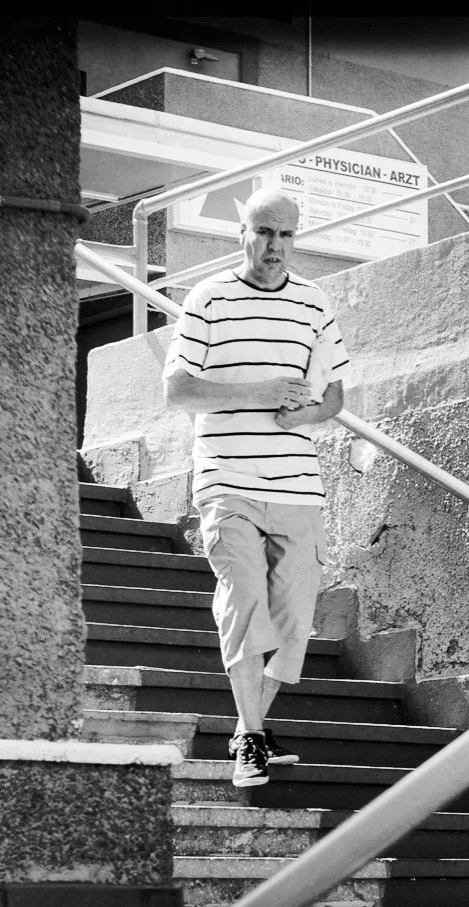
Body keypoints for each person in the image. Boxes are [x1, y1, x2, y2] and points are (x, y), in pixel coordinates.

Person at [162, 187, 348, 788]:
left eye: (285, 234)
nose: (275, 245)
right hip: (227, 480)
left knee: (293, 624)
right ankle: (249, 735)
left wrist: (307, 414)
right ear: (242, 232)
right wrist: (259, 393)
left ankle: (253, 731)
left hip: (298, 486)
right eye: (264, 231)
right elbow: (178, 391)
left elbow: (336, 394)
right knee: (243, 603)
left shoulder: (314, 302)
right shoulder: (208, 298)